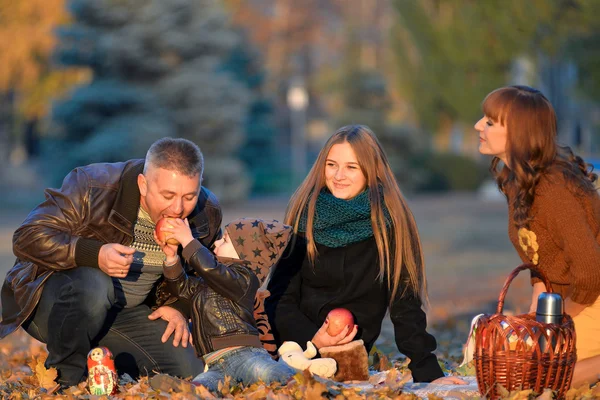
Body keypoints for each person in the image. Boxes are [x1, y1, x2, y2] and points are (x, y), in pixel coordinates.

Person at [0, 137, 221, 388]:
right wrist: (93, 254)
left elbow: (203, 274)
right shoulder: (93, 185)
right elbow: (27, 237)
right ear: (143, 184)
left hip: (124, 314)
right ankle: (65, 380)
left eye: (189, 196)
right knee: (95, 281)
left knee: (186, 368)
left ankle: (101, 364)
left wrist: (179, 306)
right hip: (55, 303)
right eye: (168, 195)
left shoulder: (207, 211)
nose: (178, 208)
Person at [265, 125, 463, 384]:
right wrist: (313, 338)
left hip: (350, 354)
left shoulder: (390, 221)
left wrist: (428, 372)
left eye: (352, 167)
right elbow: (279, 298)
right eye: (332, 164)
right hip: (296, 350)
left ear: (371, 172)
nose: (338, 175)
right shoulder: (306, 215)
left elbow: (405, 304)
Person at [475, 85, 600, 387]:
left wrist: (554, 325)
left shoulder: (553, 187)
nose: (478, 125)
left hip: (593, 296)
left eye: (490, 122)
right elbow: (539, 263)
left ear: (518, 132)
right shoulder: (517, 181)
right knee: (514, 364)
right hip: (572, 300)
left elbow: (590, 272)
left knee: (540, 380)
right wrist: (534, 319)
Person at [149, 217, 295, 392]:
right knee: (203, 385)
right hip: (215, 363)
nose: (217, 242)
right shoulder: (207, 281)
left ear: (243, 254)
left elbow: (212, 269)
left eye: (224, 240)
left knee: (270, 373)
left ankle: (311, 383)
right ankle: (188, 390)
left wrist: (188, 241)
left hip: (246, 355)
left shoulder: (245, 280)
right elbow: (183, 289)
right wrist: (172, 258)